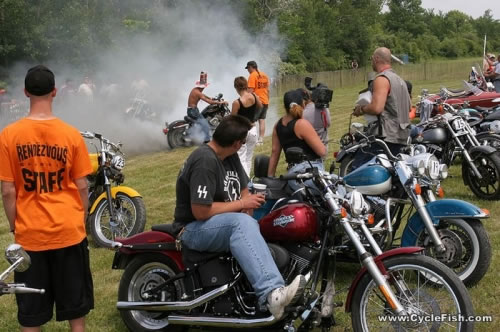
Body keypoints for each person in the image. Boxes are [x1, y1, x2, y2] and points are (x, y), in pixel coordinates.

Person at [172, 115, 306, 320]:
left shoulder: (230, 156)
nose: (243, 145)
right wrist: (242, 206)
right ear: (236, 143)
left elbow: (244, 190)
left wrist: (248, 205)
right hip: (192, 228)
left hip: (219, 223)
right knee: (241, 223)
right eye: (243, 141)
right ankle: (272, 294)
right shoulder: (204, 160)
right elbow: (200, 211)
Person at [0, 65, 94, 331]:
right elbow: (82, 186)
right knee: (77, 311)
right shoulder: (71, 134)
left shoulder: (8, 135)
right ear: (54, 92)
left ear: (26, 92)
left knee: (32, 315)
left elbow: (8, 191)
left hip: (30, 235)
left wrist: (14, 225)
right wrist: (81, 217)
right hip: (68, 231)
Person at [351, 47, 411, 169]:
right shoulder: (400, 80)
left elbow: (376, 108)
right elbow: (409, 107)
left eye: (372, 59)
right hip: (402, 135)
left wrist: (361, 109)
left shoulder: (381, 79)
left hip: (386, 136)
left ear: (377, 59)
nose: (371, 61)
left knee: (358, 168)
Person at [267, 89, 326, 191]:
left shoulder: (278, 125)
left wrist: (270, 178)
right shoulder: (302, 124)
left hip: (292, 174)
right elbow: (322, 151)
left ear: (284, 106)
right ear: (303, 104)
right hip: (310, 171)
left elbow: (274, 153)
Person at [231, 76, 262, 177]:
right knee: (248, 158)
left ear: (236, 87)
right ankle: (247, 180)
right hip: (253, 129)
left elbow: (232, 119)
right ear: (246, 85)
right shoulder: (254, 96)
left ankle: (244, 181)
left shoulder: (237, 103)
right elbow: (260, 106)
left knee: (241, 158)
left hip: (242, 132)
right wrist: (254, 118)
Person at [187, 71, 226, 143]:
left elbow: (204, 96)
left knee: (204, 117)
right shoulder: (198, 93)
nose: (204, 88)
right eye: (204, 86)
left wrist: (211, 98)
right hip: (193, 111)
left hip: (192, 110)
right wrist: (221, 102)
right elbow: (209, 102)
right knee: (205, 124)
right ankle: (207, 141)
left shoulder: (195, 90)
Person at [300, 88, 331, 154]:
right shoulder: (324, 108)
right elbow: (328, 124)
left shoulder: (303, 113)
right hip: (323, 147)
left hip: (308, 150)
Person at [246, 61, 270, 145]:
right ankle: (261, 140)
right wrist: (268, 100)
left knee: (251, 121)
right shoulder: (264, 75)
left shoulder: (252, 76)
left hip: (256, 102)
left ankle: (254, 140)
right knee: (262, 120)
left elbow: (250, 91)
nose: (247, 70)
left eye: (248, 68)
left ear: (251, 67)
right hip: (265, 100)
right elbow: (268, 90)